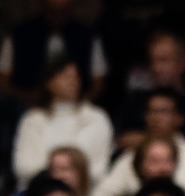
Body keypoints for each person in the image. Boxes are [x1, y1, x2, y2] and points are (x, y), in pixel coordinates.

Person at [12, 56, 112, 189]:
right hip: (39, 193)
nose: (73, 82)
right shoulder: (33, 119)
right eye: (66, 76)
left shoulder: (97, 118)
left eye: (76, 77)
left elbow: (99, 169)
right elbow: (23, 167)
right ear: (49, 83)